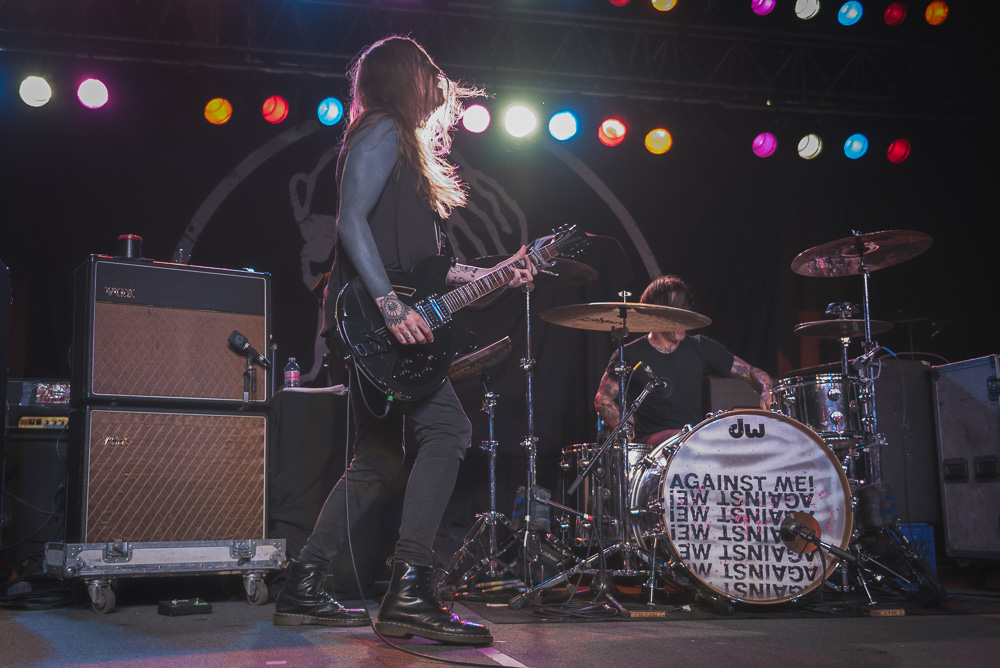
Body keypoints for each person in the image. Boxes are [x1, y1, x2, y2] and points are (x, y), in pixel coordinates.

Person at [273, 36, 535, 645]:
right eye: (429, 75)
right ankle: (411, 590)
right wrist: (390, 306)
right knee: (448, 430)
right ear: (403, 78)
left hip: (379, 318)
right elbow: (350, 222)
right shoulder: (381, 127)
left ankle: (303, 583)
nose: (438, 86)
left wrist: (502, 271)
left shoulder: (410, 154)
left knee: (378, 462)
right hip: (371, 316)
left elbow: (433, 271)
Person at [593, 275, 774, 446]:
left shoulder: (700, 348)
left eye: (684, 311)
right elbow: (603, 398)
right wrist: (622, 428)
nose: (683, 320)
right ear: (656, 314)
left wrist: (765, 389)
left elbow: (752, 372)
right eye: (675, 312)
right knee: (684, 435)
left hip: (692, 444)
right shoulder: (630, 354)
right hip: (650, 448)